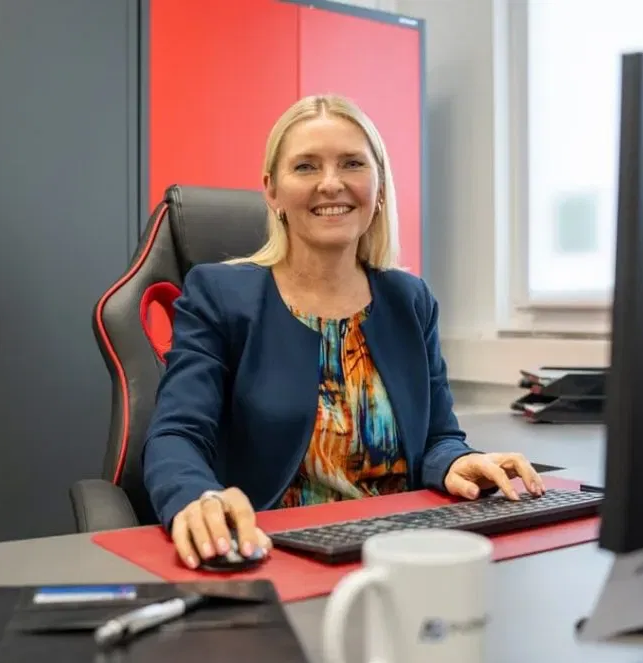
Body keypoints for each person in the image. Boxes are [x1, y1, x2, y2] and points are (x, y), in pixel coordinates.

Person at [143, 93, 544, 569]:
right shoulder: (220, 295)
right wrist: (196, 497)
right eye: (306, 167)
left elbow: (439, 437)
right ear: (272, 191)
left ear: (377, 187)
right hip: (278, 554)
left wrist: (457, 463)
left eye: (352, 163)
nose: (331, 184)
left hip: (404, 552)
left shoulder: (409, 300)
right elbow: (177, 433)